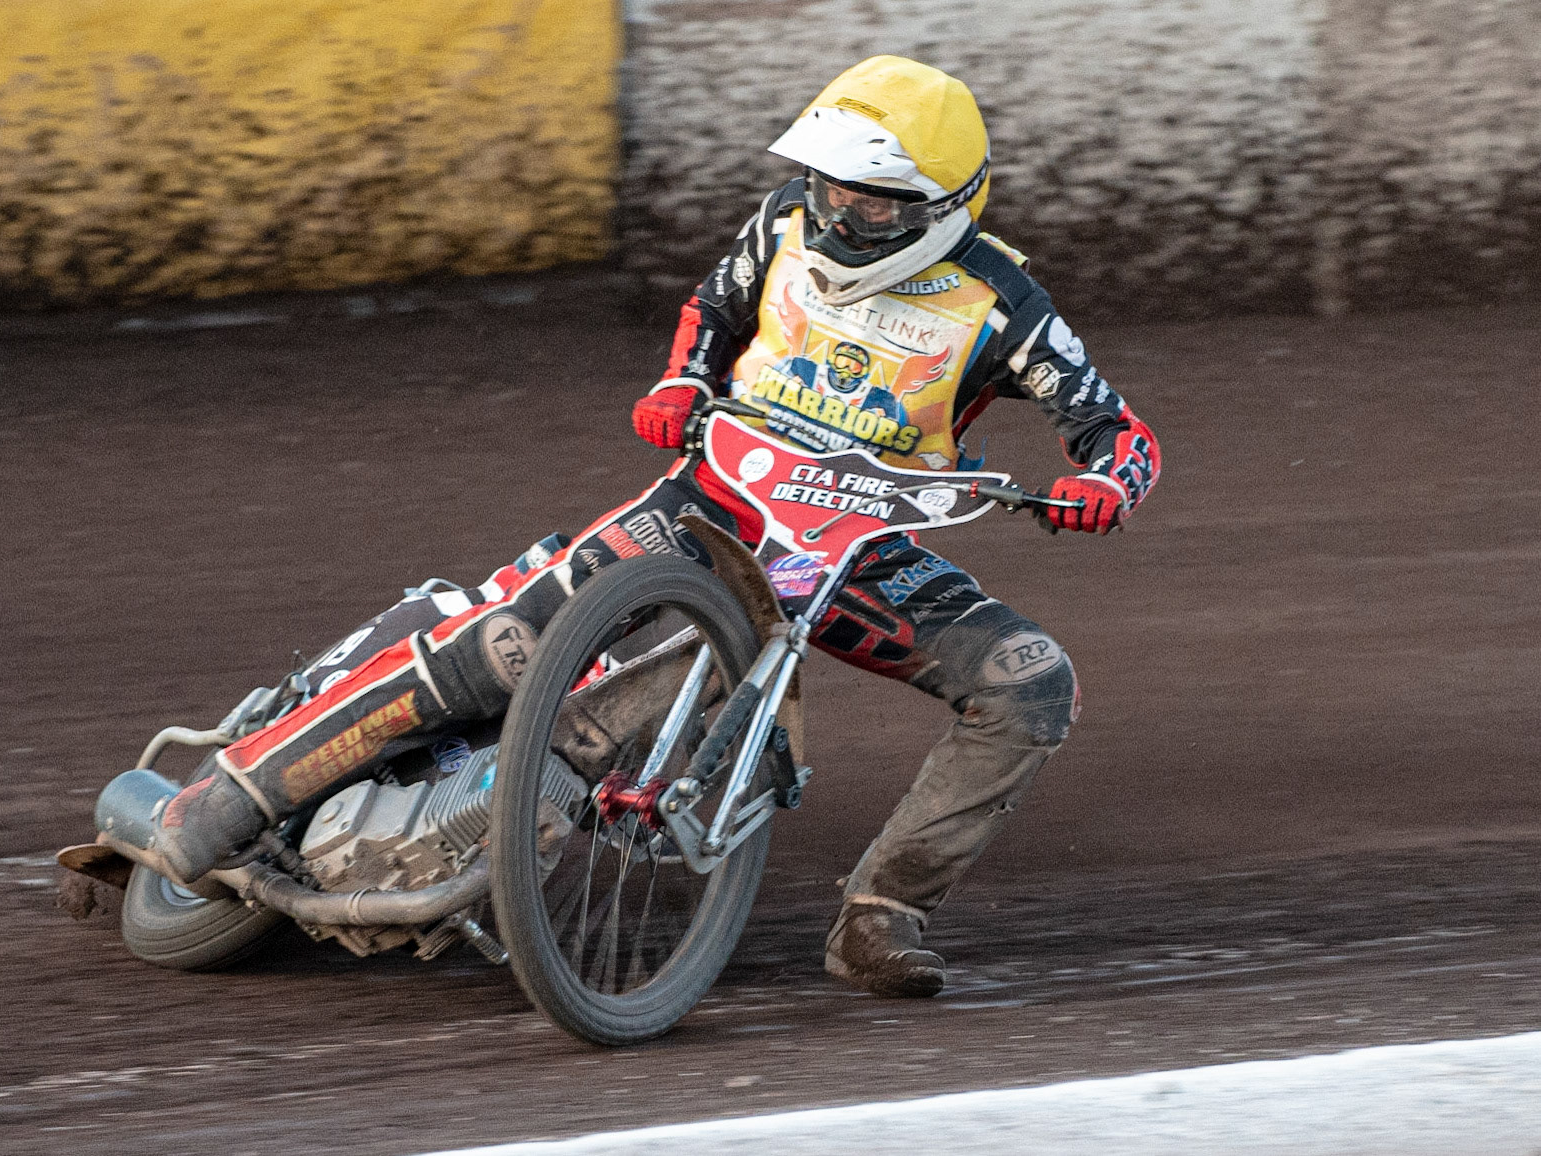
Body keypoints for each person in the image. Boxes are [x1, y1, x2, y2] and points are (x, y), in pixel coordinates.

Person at [126, 56, 1159, 999]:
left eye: (871, 201)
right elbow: (710, 313)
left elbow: (1119, 432)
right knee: (504, 641)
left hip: (859, 557)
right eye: (830, 187)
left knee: (1029, 682)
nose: (840, 214)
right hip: (706, 504)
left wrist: (1105, 482)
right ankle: (233, 795)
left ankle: (882, 914)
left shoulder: (1005, 303)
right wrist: (679, 381)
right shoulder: (782, 227)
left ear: (943, 207)